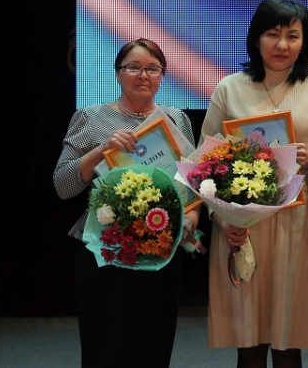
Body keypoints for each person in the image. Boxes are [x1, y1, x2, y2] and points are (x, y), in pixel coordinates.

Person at [201, 0, 308, 368]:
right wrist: (222, 219)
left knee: (288, 340)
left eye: (293, 36)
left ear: (305, 42)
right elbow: (202, 163)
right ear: (256, 38)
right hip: (241, 223)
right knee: (247, 341)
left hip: (299, 222)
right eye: (272, 34)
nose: (282, 45)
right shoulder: (229, 88)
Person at [53, 38, 198, 368]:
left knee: (154, 349)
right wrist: (102, 149)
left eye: (152, 68)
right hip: (105, 253)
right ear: (118, 74)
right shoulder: (91, 118)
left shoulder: (175, 118)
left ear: (162, 76)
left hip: (161, 251)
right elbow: (63, 186)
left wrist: (193, 217)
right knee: (106, 350)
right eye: (133, 67)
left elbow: (192, 183)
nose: (143, 75)